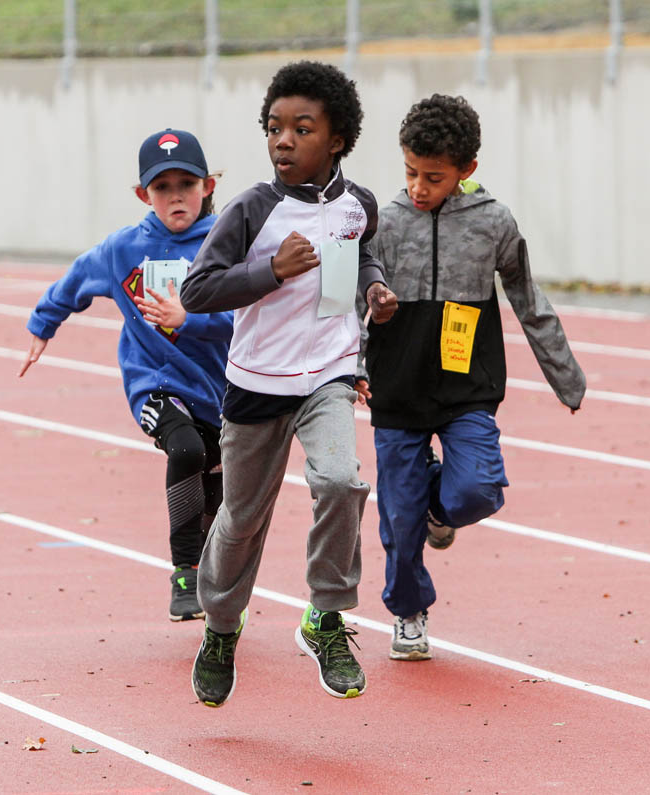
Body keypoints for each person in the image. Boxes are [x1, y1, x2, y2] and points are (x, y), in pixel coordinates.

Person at [180, 60, 397, 707]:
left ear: (337, 139)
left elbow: (362, 255)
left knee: (341, 480)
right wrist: (271, 270)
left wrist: (373, 288)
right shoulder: (253, 209)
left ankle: (325, 615)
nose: (283, 140)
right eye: (274, 127)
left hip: (328, 374)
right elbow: (197, 290)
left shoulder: (358, 205)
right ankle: (222, 627)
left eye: (302, 129)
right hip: (257, 384)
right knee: (242, 519)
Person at [363, 94, 585, 661]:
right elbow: (350, 303)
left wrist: (566, 376)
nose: (418, 187)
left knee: (477, 491)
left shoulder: (493, 222)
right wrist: (354, 365)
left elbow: (528, 298)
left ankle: (439, 510)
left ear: (467, 170)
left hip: (467, 388)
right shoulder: (384, 223)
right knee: (399, 517)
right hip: (397, 389)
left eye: (433, 177)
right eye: (410, 172)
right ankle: (409, 612)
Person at [19, 128, 232, 622]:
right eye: (162, 187)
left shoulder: (224, 246)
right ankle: (184, 573)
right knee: (186, 450)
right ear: (143, 194)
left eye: (186, 184)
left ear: (207, 186)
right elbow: (76, 278)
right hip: (154, 382)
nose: (175, 196)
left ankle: (209, 569)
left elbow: (242, 318)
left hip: (217, 388)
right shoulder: (123, 249)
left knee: (216, 481)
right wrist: (42, 324)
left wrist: (190, 320)